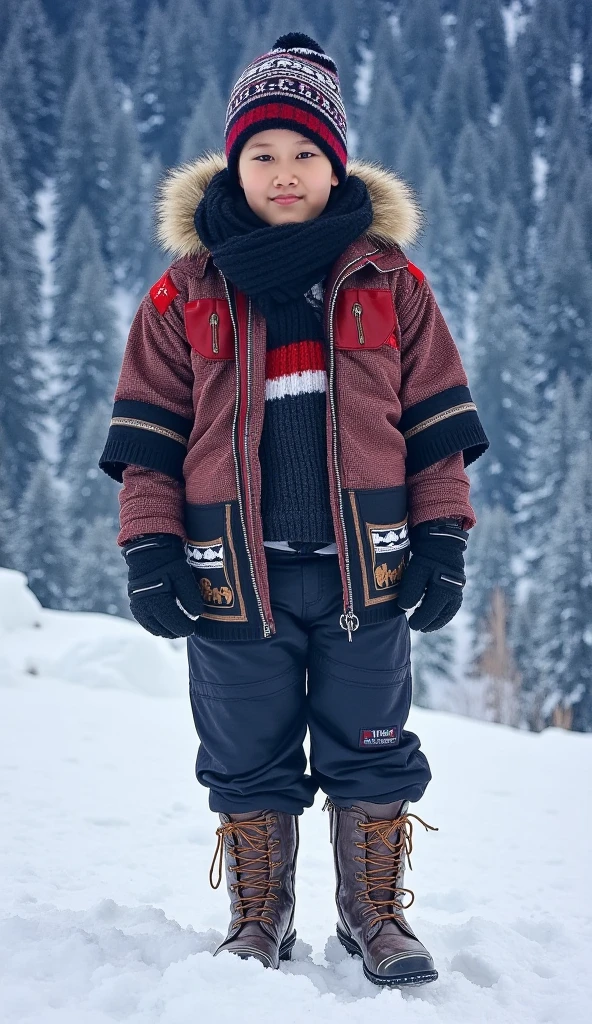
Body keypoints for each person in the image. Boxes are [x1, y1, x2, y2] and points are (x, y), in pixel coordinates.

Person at [99, 33, 489, 987]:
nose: (285, 172)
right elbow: (149, 441)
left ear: (337, 161)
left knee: (371, 739)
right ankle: (258, 912)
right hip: (231, 569)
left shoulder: (389, 283)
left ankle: (373, 913)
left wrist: (442, 536)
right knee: (244, 748)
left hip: (368, 565)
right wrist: (151, 549)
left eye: (306, 152)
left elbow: (436, 431)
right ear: (233, 163)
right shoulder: (184, 292)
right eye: (262, 153)